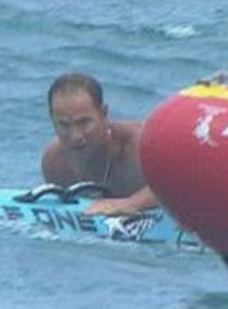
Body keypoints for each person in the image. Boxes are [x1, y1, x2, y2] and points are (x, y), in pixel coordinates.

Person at [41, 72, 160, 215]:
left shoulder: (140, 147)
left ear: (103, 113)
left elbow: (183, 182)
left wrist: (131, 203)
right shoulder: (55, 162)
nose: (75, 136)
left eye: (84, 122)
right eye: (64, 125)